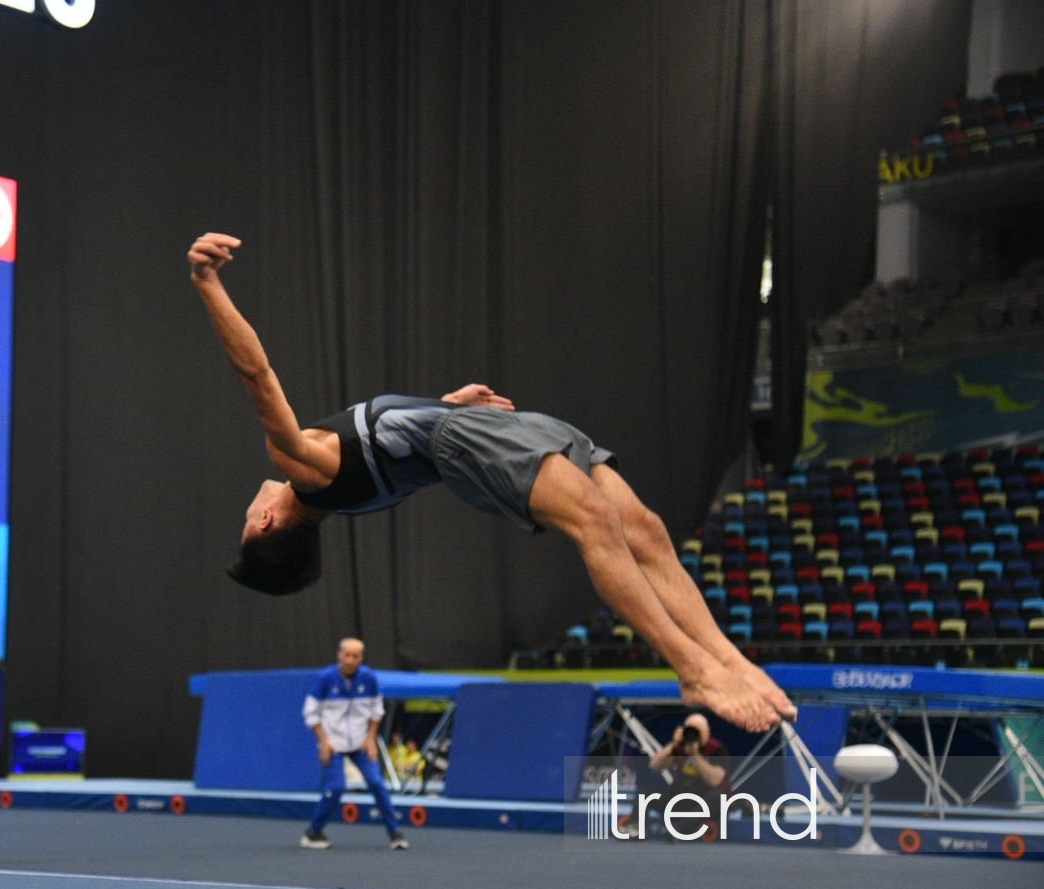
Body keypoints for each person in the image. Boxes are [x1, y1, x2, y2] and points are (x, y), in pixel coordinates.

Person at [187, 231, 797, 734]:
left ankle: (729, 658)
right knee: (598, 526)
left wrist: (447, 405)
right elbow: (257, 375)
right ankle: (691, 665)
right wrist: (209, 284)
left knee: (645, 530)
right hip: (471, 439)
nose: (249, 508)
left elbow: (408, 446)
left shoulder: (350, 499)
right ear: (266, 521)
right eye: (247, 523)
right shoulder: (304, 470)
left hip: (470, 432)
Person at [299, 637, 409, 850]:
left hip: (360, 743)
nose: (350, 660)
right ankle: (314, 832)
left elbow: (377, 710)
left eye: (355, 656)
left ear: (361, 658)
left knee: (377, 783)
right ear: (339, 655)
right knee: (336, 787)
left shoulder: (368, 678)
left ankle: (395, 833)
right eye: (347, 655)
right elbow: (310, 713)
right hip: (333, 743)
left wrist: (370, 739)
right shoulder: (325, 679)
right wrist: (324, 742)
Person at [645, 712, 730, 839]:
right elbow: (655, 766)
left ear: (707, 731)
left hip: (703, 804)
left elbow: (715, 780)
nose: (694, 736)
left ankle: (678, 829)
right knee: (645, 793)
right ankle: (635, 826)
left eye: (698, 732)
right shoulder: (679, 747)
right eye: (691, 731)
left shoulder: (717, 749)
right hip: (679, 800)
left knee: (720, 797)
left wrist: (695, 755)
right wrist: (673, 744)